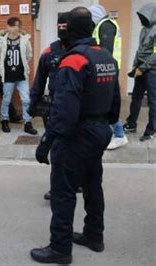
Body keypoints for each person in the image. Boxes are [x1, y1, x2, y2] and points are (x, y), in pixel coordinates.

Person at [31, 7, 120, 264]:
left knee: (62, 191)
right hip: (100, 131)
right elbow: (115, 103)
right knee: (93, 185)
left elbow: (64, 110)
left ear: (69, 29)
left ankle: (59, 249)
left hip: (77, 134)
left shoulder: (74, 60)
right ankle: (94, 235)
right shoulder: (106, 57)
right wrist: (105, 124)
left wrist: (47, 141)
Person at [28, 12, 69, 201]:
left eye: (65, 26)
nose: (63, 30)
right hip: (55, 110)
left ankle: (73, 182)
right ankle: (58, 188)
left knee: (72, 149)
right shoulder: (49, 52)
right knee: (59, 150)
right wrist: (32, 106)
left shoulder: (83, 51)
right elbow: (39, 81)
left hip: (79, 111)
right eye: (60, 26)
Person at [89, 4, 128, 149]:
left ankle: (119, 135)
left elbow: (105, 51)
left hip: (107, 70)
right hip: (109, 69)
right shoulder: (104, 25)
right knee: (105, 102)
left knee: (107, 103)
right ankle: (112, 133)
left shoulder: (105, 26)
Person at [0, 17, 38, 135]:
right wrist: (1, 65)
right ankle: (4, 120)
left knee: (26, 99)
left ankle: (27, 123)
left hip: (21, 77)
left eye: (17, 26)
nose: (15, 28)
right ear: (8, 27)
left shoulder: (24, 40)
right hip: (8, 77)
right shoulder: (1, 41)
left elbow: (29, 55)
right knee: (6, 100)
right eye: (13, 26)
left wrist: (22, 65)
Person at [124, 3, 156, 142]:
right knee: (136, 97)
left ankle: (151, 130)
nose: (141, 19)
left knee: (152, 100)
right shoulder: (144, 29)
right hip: (140, 68)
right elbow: (140, 49)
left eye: (144, 16)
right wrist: (135, 65)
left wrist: (142, 67)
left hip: (152, 69)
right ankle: (131, 124)